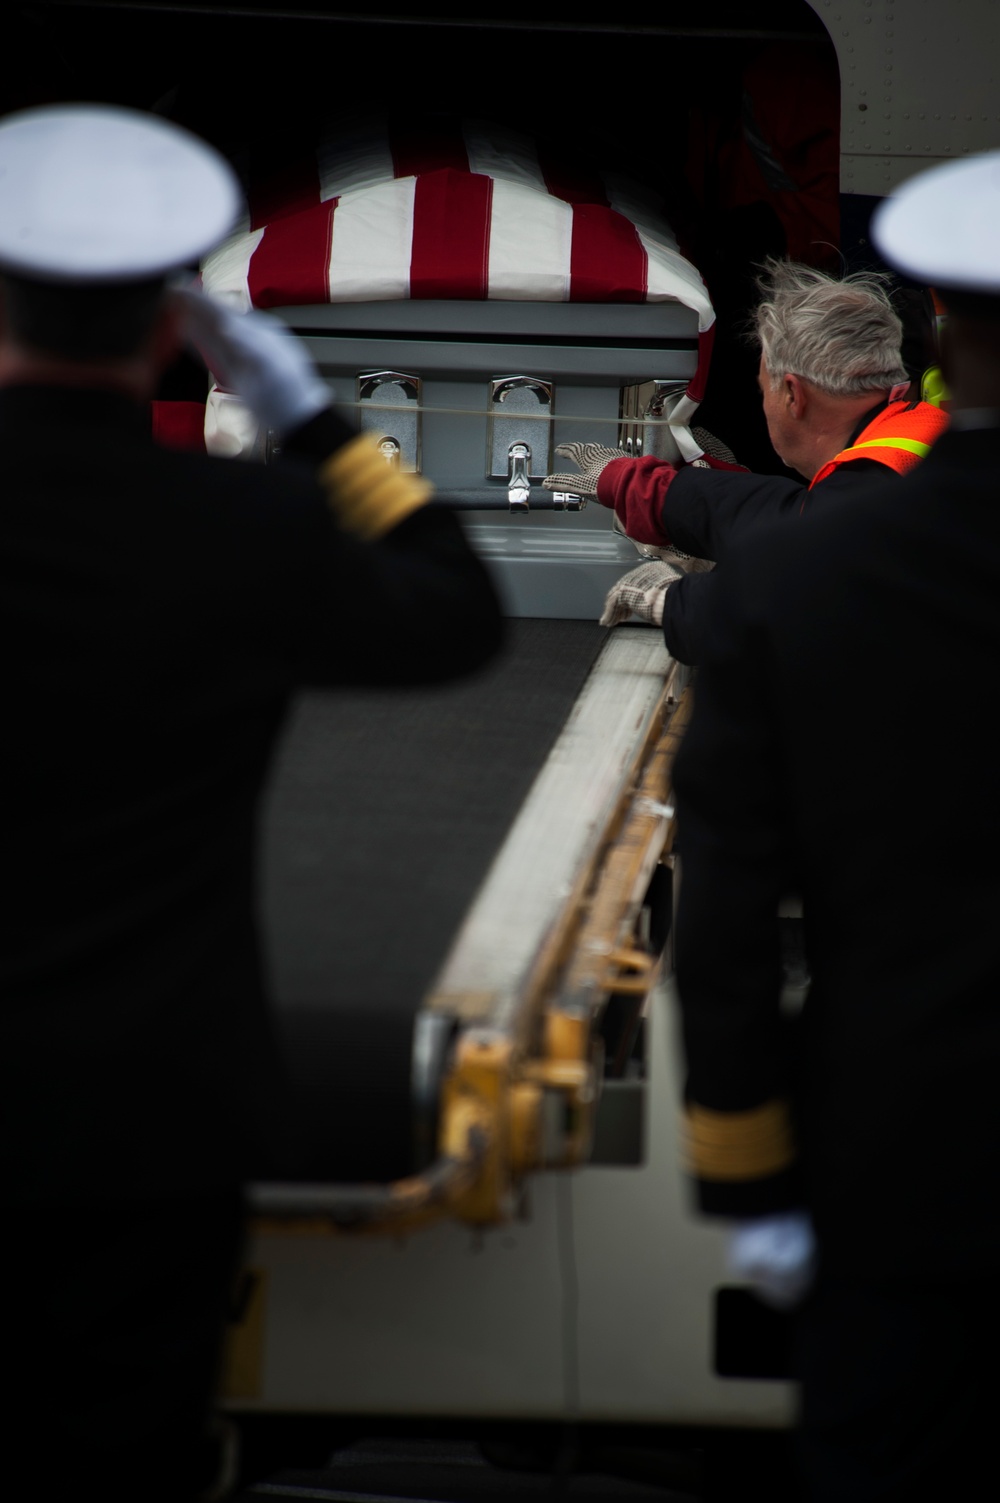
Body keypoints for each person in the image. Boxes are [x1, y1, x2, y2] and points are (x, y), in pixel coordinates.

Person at [0, 104, 502, 1500]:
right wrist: (319, 425)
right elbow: (457, 615)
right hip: (147, 1115)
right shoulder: (248, 531)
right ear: (171, 334)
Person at [670, 150, 1000, 1501]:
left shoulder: (802, 581)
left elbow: (729, 910)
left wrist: (747, 1177)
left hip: (908, 1161)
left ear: (939, 329)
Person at [544, 260, 948, 664]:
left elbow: (792, 605)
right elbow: (795, 517)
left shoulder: (869, 488)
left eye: (763, 391)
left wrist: (680, 602)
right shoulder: (919, 435)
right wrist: (653, 494)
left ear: (793, 394)